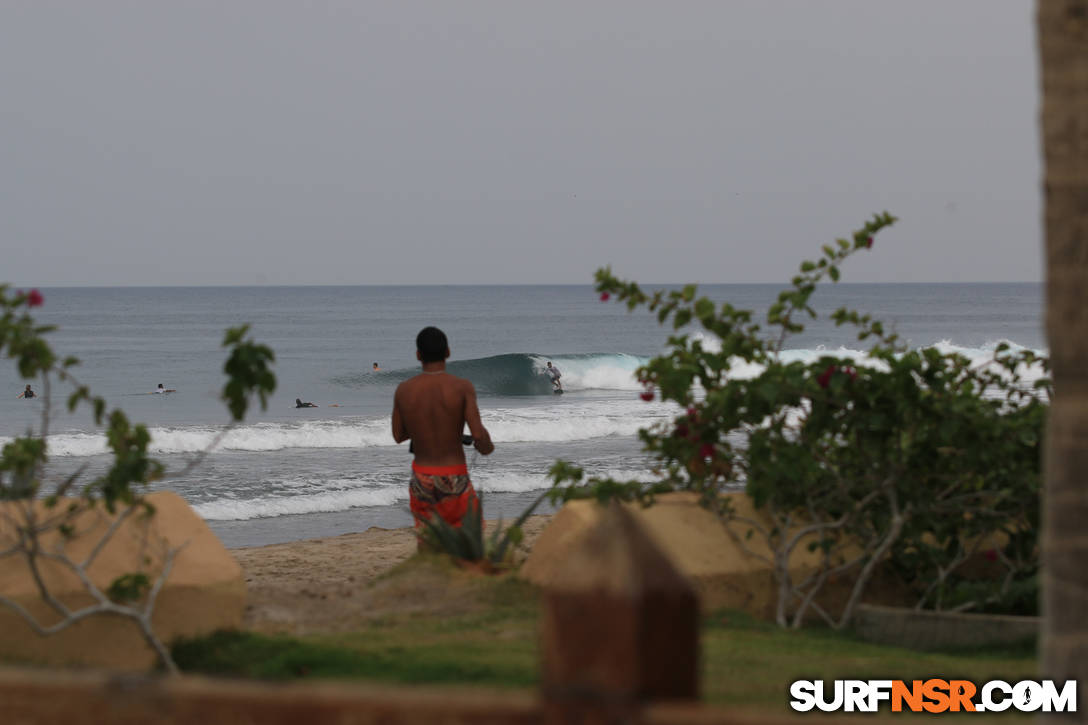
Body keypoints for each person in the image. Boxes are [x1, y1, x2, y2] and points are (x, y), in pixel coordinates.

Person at [392, 326, 494, 535]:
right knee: (467, 541)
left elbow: (398, 435)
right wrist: (486, 446)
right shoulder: (462, 387)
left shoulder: (404, 389)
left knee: (429, 541)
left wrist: (423, 427)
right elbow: (478, 436)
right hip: (454, 475)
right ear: (447, 352)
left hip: (422, 477)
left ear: (418, 355)